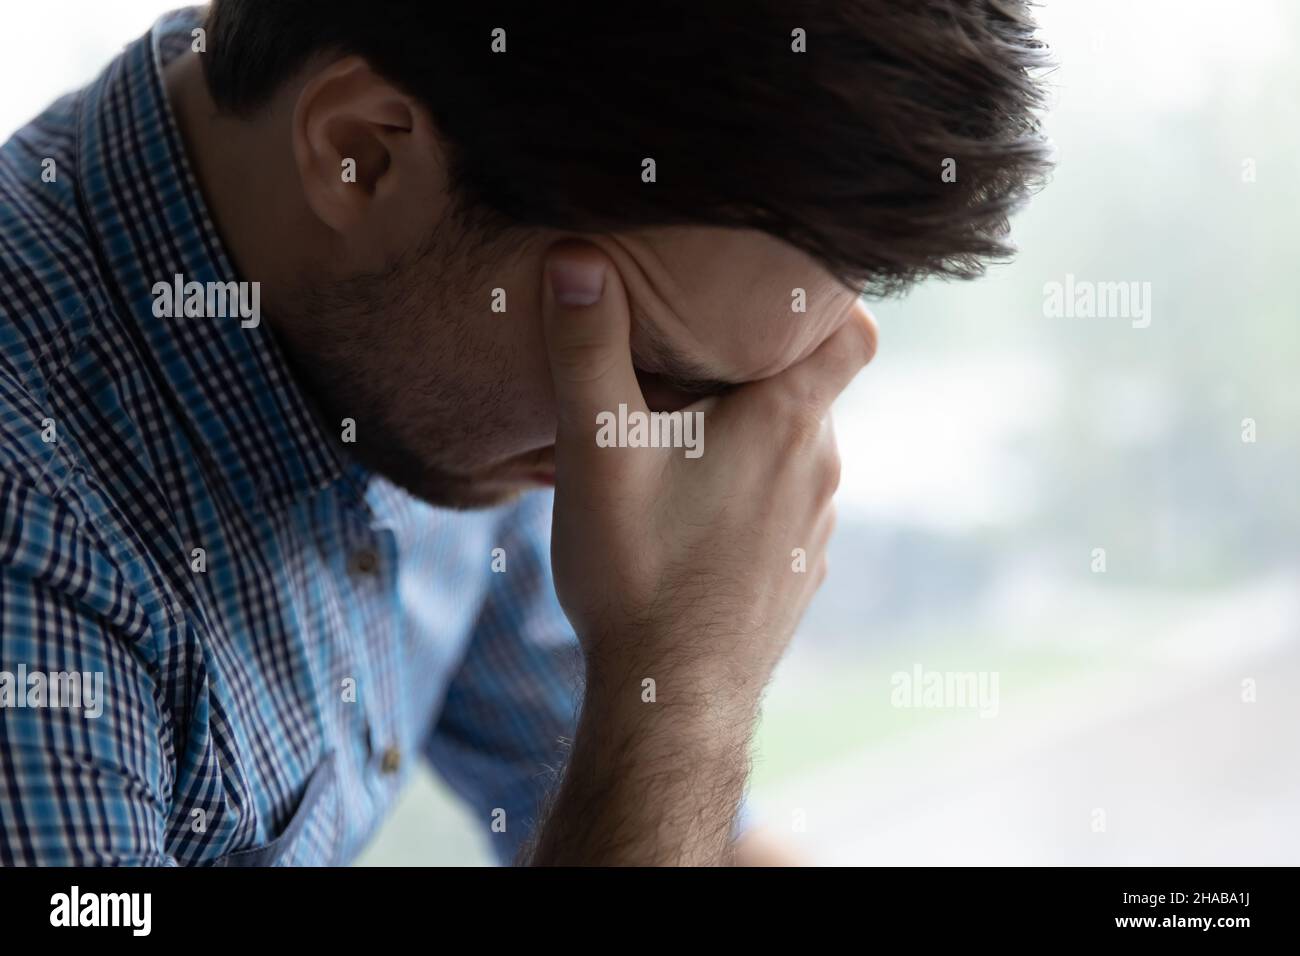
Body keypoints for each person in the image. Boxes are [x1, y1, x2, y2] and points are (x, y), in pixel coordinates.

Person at [0, 2, 1050, 865]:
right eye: (646, 373)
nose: (651, 453)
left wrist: (664, 727)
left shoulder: (415, 347)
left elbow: (684, 832)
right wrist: (684, 688)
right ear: (362, 156)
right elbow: (652, 782)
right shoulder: (34, 559)